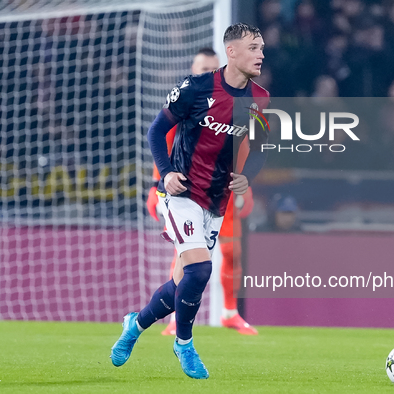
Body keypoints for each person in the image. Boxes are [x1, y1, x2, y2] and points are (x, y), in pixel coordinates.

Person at [110, 23, 269, 379]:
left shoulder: (259, 99)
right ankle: (184, 344)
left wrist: (248, 177)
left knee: (183, 283)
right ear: (232, 52)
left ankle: (135, 325)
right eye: (254, 47)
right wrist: (165, 173)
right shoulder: (196, 88)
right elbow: (156, 130)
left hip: (217, 200)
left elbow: (259, 147)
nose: (261, 54)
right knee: (200, 270)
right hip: (181, 193)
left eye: (262, 48)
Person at [146, 47, 259, 337]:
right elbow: (164, 141)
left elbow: (246, 144)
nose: (204, 73)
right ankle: (175, 320)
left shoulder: (240, 102)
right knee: (187, 255)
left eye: (210, 68)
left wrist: (248, 182)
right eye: (200, 68)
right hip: (186, 187)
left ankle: (230, 314)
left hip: (223, 189)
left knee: (232, 251)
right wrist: (156, 184)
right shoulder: (188, 99)